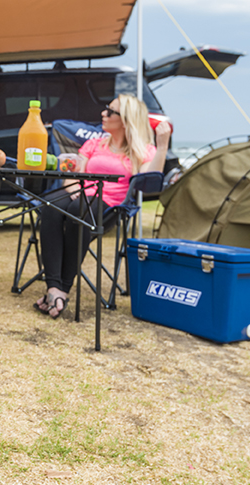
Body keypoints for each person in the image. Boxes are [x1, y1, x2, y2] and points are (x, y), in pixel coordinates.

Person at [35, 93, 172, 318]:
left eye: (110, 111)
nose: (103, 113)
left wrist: (163, 146)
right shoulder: (94, 144)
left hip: (108, 206)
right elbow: (73, 172)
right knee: (50, 207)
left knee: (78, 211)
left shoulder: (143, 151)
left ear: (126, 120)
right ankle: (53, 287)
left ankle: (63, 288)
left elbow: (150, 180)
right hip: (78, 195)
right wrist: (72, 191)